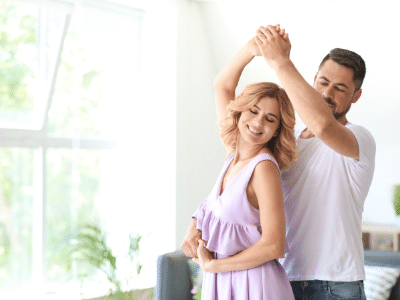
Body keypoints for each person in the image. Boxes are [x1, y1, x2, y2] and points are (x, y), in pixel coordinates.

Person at [251, 26, 375, 299]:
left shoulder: (359, 139)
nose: (327, 93)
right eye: (323, 82)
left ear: (356, 96)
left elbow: (323, 126)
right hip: (285, 276)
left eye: (340, 88)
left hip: (337, 285)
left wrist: (280, 62)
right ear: (313, 79)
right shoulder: (286, 141)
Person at [184, 26, 297, 299]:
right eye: (253, 111)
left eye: (270, 119)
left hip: (255, 285)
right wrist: (251, 49)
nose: (258, 122)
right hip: (223, 281)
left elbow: (274, 245)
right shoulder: (233, 153)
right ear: (240, 110)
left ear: (278, 130)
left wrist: (215, 265)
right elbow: (222, 85)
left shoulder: (264, 169)